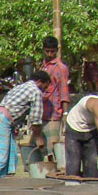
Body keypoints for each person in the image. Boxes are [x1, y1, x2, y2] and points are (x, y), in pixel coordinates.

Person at [0, 71, 51, 180]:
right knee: (0, 159)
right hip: (2, 121)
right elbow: (35, 120)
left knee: (11, 158)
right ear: (40, 82)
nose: (45, 90)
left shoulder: (21, 86)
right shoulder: (36, 91)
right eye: (45, 86)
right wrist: (38, 138)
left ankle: (0, 186)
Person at [32, 36, 70, 171]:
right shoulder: (42, 66)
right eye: (47, 51)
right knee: (38, 149)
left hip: (53, 115)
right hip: (39, 114)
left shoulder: (61, 68)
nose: (49, 54)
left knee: (53, 152)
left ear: (57, 50)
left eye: (52, 52)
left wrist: (65, 113)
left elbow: (64, 91)